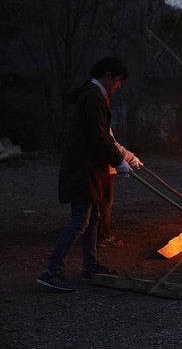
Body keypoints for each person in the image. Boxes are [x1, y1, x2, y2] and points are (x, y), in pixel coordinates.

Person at [36, 56, 132, 292]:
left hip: (90, 169)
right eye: (118, 81)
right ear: (108, 75)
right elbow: (99, 136)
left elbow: (102, 136)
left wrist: (122, 158)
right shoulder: (92, 98)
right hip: (82, 169)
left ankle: (90, 267)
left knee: (93, 219)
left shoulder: (95, 97)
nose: (118, 86)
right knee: (80, 220)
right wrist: (118, 161)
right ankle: (52, 271)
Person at [97, 128, 143, 248]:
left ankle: (96, 236)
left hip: (97, 168)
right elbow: (109, 143)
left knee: (97, 204)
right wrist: (128, 158)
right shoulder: (98, 113)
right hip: (104, 168)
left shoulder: (92, 113)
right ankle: (102, 237)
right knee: (105, 203)